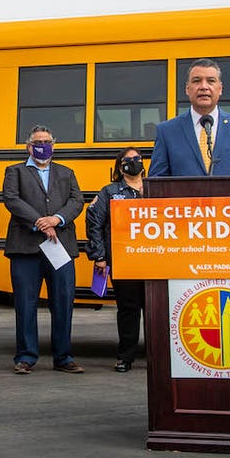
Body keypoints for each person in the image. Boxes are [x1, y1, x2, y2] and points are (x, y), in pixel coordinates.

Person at [3, 125, 86, 375]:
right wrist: (40, 222)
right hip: (25, 249)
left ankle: (63, 356)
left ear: (54, 144)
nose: (43, 145)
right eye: (38, 141)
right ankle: (26, 356)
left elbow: (77, 201)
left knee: (63, 302)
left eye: (48, 141)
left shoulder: (66, 172)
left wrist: (57, 219)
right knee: (25, 304)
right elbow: (11, 199)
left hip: (60, 246)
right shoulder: (14, 171)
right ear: (29, 146)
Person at [150, 58, 230, 177]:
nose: (204, 86)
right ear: (187, 89)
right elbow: (156, 180)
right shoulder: (167, 131)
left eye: (211, 81)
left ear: (220, 89)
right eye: (197, 81)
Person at [84, 147, 146, 372]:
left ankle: (159, 358)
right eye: (128, 160)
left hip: (155, 260)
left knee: (156, 310)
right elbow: (94, 223)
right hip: (123, 259)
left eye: (137, 158)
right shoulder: (110, 192)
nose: (134, 162)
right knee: (128, 309)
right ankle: (126, 357)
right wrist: (99, 256)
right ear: (120, 167)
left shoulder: (156, 188)